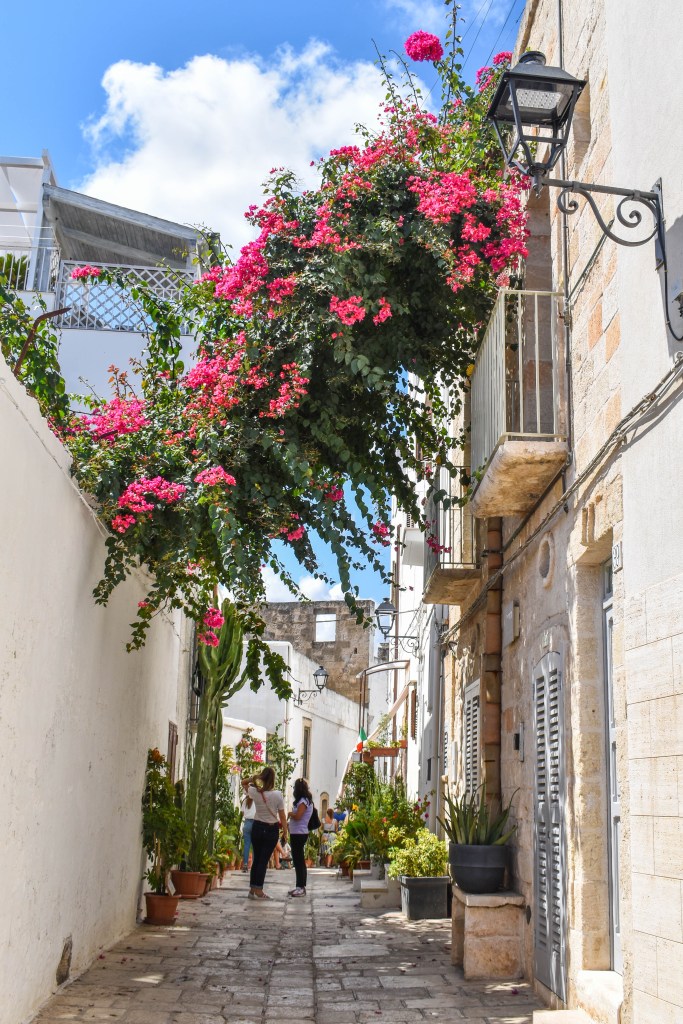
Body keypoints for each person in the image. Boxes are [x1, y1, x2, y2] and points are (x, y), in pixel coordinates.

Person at [242, 766, 287, 900]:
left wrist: (254, 778)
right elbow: (282, 816)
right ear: (273, 779)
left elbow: (243, 782)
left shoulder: (255, 792)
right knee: (263, 860)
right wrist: (285, 831)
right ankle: (259, 890)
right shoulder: (277, 795)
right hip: (271, 830)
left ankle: (252, 890)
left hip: (257, 827)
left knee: (257, 860)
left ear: (262, 777)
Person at [286, 777, 314, 897]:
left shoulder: (303, 801)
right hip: (296, 832)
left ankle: (301, 887)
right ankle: (299, 886)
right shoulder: (303, 800)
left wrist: (290, 814)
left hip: (299, 833)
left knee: (299, 861)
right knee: (297, 860)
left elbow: (298, 816)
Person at [240, 788, 256, 872]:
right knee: (255, 846)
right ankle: (254, 866)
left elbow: (242, 813)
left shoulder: (245, 801)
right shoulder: (257, 801)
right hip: (255, 823)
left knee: (246, 845)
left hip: (247, 823)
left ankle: (245, 865)